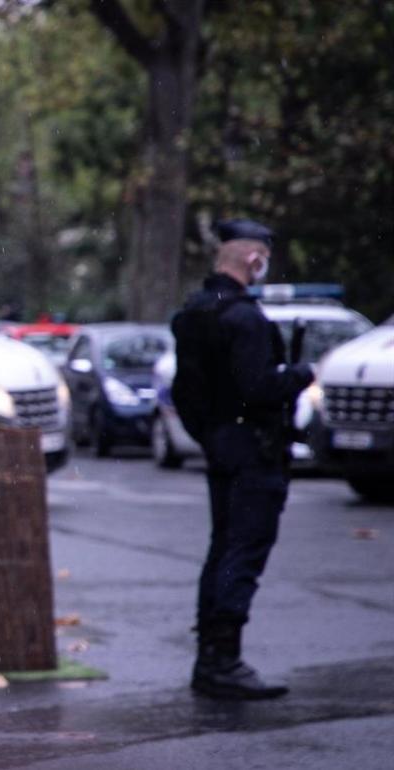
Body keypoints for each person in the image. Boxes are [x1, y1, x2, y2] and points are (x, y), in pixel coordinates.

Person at [171, 218, 314, 700]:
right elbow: (258, 388)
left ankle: (211, 658)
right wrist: (300, 375)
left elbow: (185, 392)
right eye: (263, 258)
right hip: (254, 450)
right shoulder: (244, 320)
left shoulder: (195, 312)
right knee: (243, 552)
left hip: (222, 445)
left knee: (223, 548)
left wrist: (210, 435)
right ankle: (223, 660)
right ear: (254, 259)